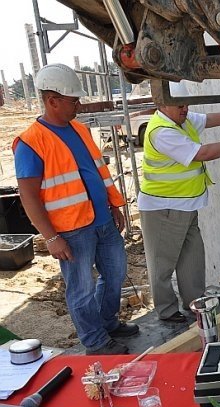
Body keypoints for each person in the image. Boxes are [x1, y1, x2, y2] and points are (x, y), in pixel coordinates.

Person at [12, 63, 138, 355]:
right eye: (73, 100)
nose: (78, 105)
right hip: (71, 230)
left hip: (102, 220)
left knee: (115, 274)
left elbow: (95, 172)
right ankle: (95, 341)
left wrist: (113, 206)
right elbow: (29, 196)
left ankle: (107, 322)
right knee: (81, 289)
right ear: (52, 100)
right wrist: (51, 237)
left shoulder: (79, 129)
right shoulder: (31, 142)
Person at [139, 81, 220, 323]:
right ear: (162, 103)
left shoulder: (179, 119)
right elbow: (202, 153)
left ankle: (194, 301)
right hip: (163, 208)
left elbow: (207, 119)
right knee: (162, 263)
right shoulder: (162, 131)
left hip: (185, 205)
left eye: (186, 104)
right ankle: (167, 311)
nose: (185, 109)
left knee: (192, 257)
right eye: (179, 105)